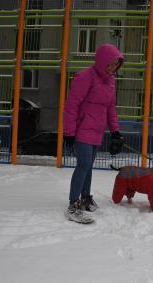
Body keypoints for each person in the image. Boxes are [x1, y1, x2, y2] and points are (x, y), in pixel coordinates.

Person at [63, 43, 124, 224]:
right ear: (102, 61)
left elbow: (110, 108)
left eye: (116, 65)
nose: (113, 68)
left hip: (97, 131)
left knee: (89, 166)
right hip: (81, 130)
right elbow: (71, 106)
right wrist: (69, 132)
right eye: (111, 64)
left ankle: (85, 198)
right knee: (84, 165)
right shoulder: (85, 77)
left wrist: (115, 131)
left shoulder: (111, 82)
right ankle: (73, 204)